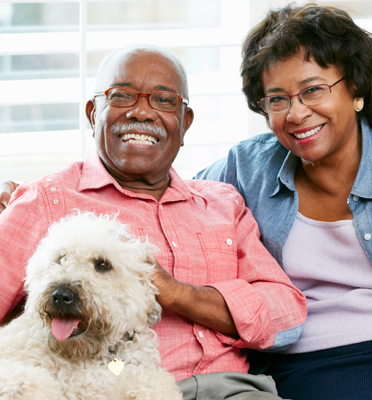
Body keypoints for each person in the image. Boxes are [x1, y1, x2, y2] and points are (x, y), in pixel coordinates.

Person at [0, 45, 307, 400]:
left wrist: (176, 292)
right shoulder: (47, 199)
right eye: (122, 95)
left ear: (185, 121)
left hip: (232, 391)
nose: (142, 112)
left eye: (163, 100)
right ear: (92, 113)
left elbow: (288, 316)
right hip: (101, 389)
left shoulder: (221, 202)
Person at [195, 3, 372, 400]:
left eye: (312, 90)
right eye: (277, 99)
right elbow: (167, 203)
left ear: (355, 86)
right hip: (297, 367)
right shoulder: (245, 168)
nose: (296, 114)